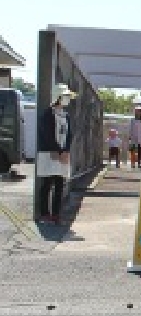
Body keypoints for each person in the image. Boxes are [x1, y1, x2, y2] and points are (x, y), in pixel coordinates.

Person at [36, 83, 76, 225]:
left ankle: (56, 214)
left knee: (60, 183)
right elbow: (47, 135)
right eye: (65, 96)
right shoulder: (47, 115)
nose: (68, 99)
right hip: (49, 153)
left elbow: (69, 134)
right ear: (58, 97)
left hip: (62, 153)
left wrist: (65, 149)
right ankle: (44, 213)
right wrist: (58, 149)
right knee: (47, 183)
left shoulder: (66, 115)